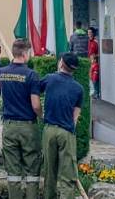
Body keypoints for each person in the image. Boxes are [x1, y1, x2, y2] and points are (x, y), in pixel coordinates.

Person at [0, 39, 41, 199]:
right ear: (25, 53)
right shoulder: (31, 75)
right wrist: (42, 116)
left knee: (13, 172)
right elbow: (35, 104)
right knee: (32, 171)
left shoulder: (1, 72)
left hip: (9, 127)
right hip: (27, 126)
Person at [40, 53, 83, 199]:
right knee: (67, 176)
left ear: (61, 63)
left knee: (49, 173)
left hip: (49, 130)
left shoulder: (50, 78)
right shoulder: (78, 88)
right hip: (67, 132)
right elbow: (75, 116)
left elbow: (34, 91)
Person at [87, 28, 100, 98]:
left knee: (95, 78)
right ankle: (92, 93)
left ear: (93, 33)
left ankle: (96, 93)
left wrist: (95, 56)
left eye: (90, 32)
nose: (89, 34)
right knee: (90, 78)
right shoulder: (87, 41)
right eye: (88, 33)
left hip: (94, 63)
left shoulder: (96, 42)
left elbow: (99, 54)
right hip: (88, 62)